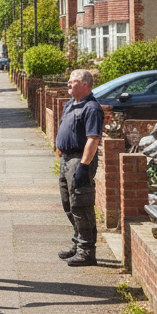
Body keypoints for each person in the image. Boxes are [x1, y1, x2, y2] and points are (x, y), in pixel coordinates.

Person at [55, 69, 103, 267]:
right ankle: (77, 243)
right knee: (68, 205)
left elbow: (93, 139)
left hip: (78, 160)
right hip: (66, 160)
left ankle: (87, 250)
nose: (68, 84)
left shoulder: (91, 108)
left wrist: (84, 166)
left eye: (73, 81)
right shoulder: (70, 104)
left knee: (81, 205)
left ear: (85, 85)